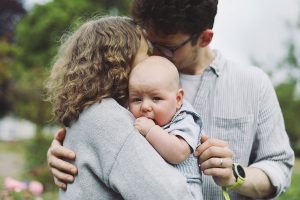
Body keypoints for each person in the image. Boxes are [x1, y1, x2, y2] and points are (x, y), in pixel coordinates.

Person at [47, 0, 295, 199]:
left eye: (167, 48)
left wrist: (236, 176)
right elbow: (101, 133)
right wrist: (68, 154)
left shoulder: (252, 84)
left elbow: (280, 165)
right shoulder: (127, 86)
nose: (155, 55)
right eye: (150, 43)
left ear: (204, 38)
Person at [46, 16, 198, 199]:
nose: (152, 59)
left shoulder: (86, 112)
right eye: (146, 53)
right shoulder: (108, 118)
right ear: (120, 62)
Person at [128, 56, 203, 199]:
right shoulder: (135, 119)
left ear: (178, 99)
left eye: (156, 98)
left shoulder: (185, 119)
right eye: (137, 99)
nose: (144, 106)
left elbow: (178, 154)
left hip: (185, 190)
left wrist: (151, 131)